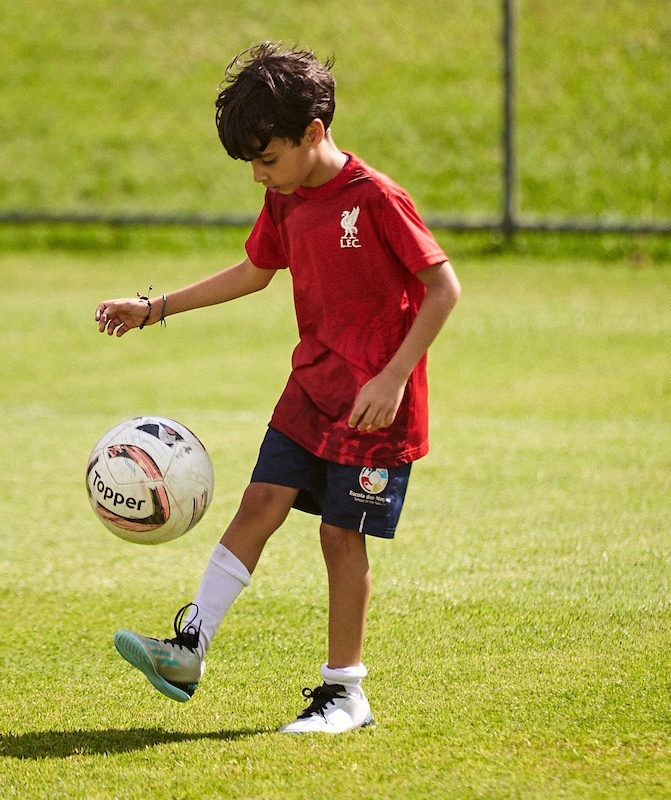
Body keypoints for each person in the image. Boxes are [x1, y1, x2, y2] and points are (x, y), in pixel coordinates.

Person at [94, 41, 460, 735]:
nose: (259, 177)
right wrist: (156, 307)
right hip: (312, 390)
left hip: (373, 409)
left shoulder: (377, 199)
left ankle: (345, 693)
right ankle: (187, 650)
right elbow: (254, 270)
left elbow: (444, 287)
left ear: (314, 133)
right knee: (259, 502)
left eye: (267, 159)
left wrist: (393, 376)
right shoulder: (288, 198)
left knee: (338, 537)